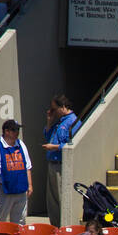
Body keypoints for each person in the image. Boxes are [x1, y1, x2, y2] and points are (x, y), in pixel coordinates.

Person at [38, 95, 80, 227]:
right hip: (52, 163)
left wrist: (54, 147)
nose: (52, 112)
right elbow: (48, 135)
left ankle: (63, 226)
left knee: (61, 197)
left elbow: (72, 144)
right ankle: (55, 225)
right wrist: (49, 122)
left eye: (54, 109)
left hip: (61, 164)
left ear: (63, 107)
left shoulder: (73, 122)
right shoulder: (59, 121)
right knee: (52, 199)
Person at [0, 119, 32, 224]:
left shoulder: (21, 145)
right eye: (14, 130)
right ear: (6, 131)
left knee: (20, 221)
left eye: (18, 130)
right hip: (0, 189)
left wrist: (30, 185)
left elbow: (28, 167)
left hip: (20, 189)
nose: (17, 132)